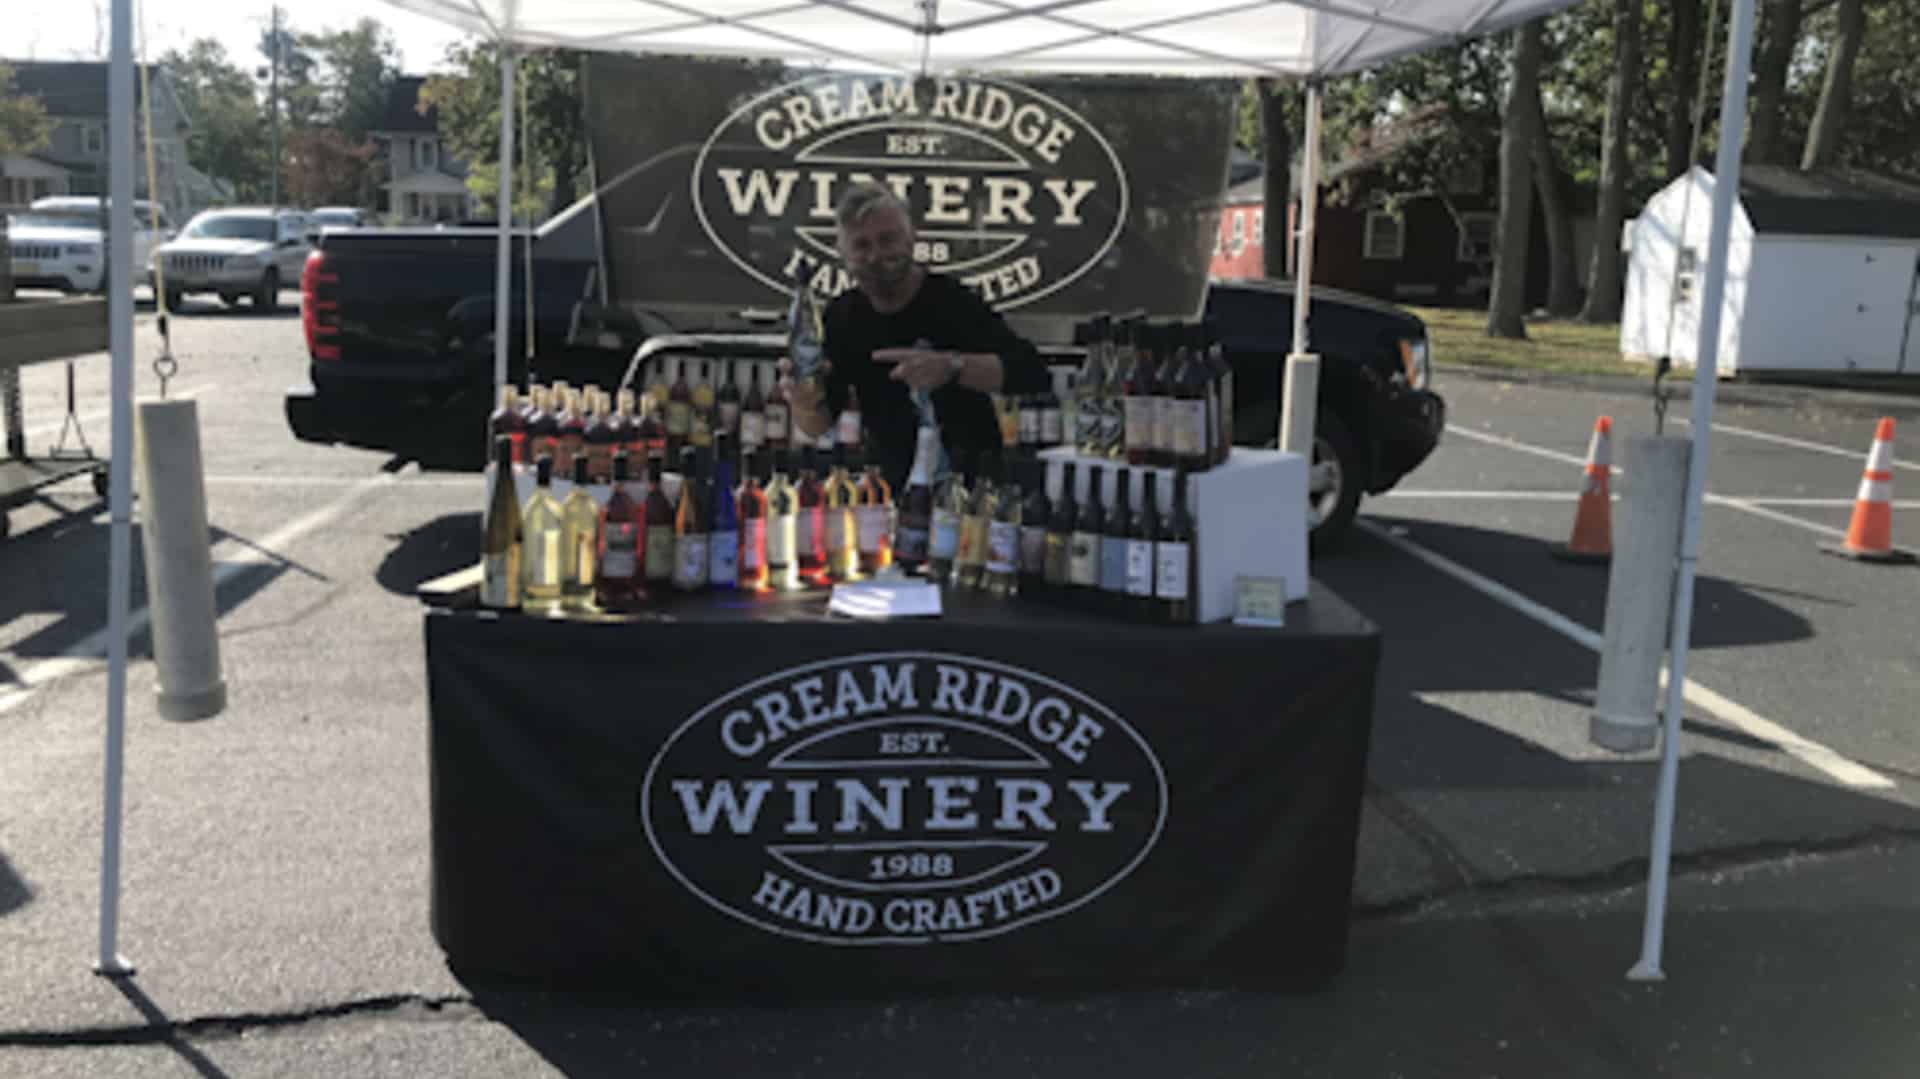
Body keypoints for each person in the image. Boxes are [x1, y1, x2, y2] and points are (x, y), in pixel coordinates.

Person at [785, 182, 1051, 494]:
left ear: (912, 237)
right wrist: (802, 401)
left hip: (972, 487)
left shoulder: (953, 301)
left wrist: (953, 367)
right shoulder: (842, 317)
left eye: (887, 239)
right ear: (843, 254)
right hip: (891, 491)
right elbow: (820, 423)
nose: (876, 255)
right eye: (861, 245)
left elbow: (1031, 373)